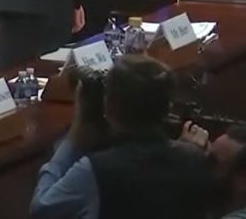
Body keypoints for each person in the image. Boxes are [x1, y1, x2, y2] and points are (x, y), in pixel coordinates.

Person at [31, 56, 212, 219]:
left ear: (109, 107)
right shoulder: (193, 158)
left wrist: (74, 135)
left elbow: (42, 207)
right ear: (167, 108)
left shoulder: (95, 171)